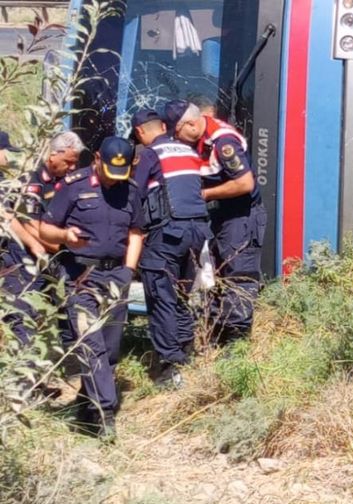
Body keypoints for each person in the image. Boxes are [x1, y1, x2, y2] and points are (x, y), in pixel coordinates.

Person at [40, 137, 143, 441]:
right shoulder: (73, 185)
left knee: (109, 351)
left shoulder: (131, 189)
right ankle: (104, 414)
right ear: (97, 159)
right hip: (80, 276)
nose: (115, 179)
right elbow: (45, 228)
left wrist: (129, 270)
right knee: (91, 344)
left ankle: (85, 409)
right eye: (110, 171)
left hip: (116, 278)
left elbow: (136, 231)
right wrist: (65, 236)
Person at [164, 100, 265, 344]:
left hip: (241, 216)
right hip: (221, 216)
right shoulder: (199, 139)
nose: (179, 140)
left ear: (190, 124)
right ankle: (219, 336)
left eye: (178, 133)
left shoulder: (223, 142)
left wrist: (205, 195)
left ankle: (236, 344)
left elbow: (245, 183)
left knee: (238, 274)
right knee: (219, 274)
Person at [131, 109, 211, 388]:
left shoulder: (150, 155)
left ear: (140, 132)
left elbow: (134, 194)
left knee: (160, 296)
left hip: (167, 235)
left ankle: (169, 368)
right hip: (197, 233)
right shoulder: (188, 151)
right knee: (180, 295)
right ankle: (187, 352)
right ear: (164, 126)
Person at [1, 131, 84, 349]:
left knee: (70, 309)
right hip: (27, 257)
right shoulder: (30, 179)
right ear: (52, 155)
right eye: (68, 162)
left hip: (58, 254)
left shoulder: (69, 181)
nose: (72, 167)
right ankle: (25, 375)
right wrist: (49, 244)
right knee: (23, 314)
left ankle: (71, 363)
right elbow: (20, 220)